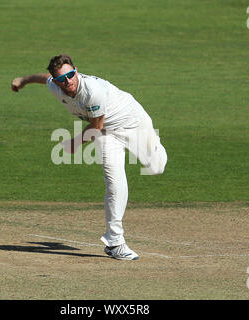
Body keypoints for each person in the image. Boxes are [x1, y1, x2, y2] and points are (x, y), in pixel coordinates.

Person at [12, 54, 167, 260]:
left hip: (133, 124)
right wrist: (23, 80)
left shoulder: (92, 91)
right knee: (114, 182)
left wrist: (73, 143)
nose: (67, 81)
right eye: (61, 78)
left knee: (156, 167)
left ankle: (155, 147)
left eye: (70, 75)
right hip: (106, 133)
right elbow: (43, 78)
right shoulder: (56, 85)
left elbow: (95, 126)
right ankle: (115, 243)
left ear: (76, 72)